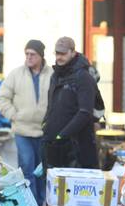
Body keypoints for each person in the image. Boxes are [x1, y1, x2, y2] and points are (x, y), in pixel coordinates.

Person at [0, 40, 53, 206]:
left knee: (43, 171)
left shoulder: (52, 75)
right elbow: (1, 98)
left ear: (41, 56)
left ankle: (42, 204)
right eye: (26, 54)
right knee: (27, 168)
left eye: (32, 54)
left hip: (45, 131)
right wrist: (14, 115)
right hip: (22, 130)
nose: (28, 57)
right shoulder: (16, 74)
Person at [42, 37, 99, 169]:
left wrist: (62, 135)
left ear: (73, 53)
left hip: (77, 148)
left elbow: (85, 112)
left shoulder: (83, 77)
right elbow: (52, 106)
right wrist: (46, 126)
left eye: (63, 53)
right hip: (54, 146)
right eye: (57, 53)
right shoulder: (56, 75)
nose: (59, 57)